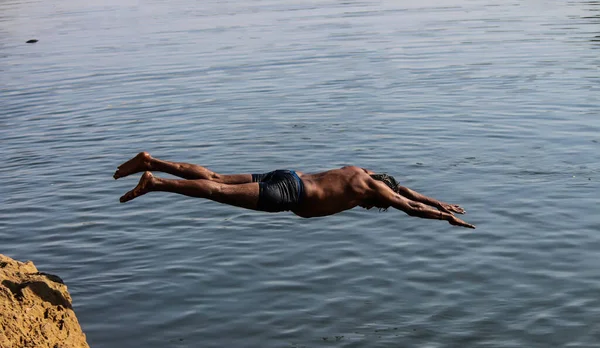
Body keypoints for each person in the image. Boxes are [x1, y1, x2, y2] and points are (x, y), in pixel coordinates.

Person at [114, 152, 475, 228]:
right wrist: (444, 218)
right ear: (376, 195)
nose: (365, 206)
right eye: (370, 205)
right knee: (216, 192)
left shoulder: (362, 171)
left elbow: (406, 190)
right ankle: (156, 182)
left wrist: (441, 201)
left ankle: (152, 161)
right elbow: (406, 204)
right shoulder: (374, 191)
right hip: (290, 196)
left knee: (217, 177)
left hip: (287, 174)